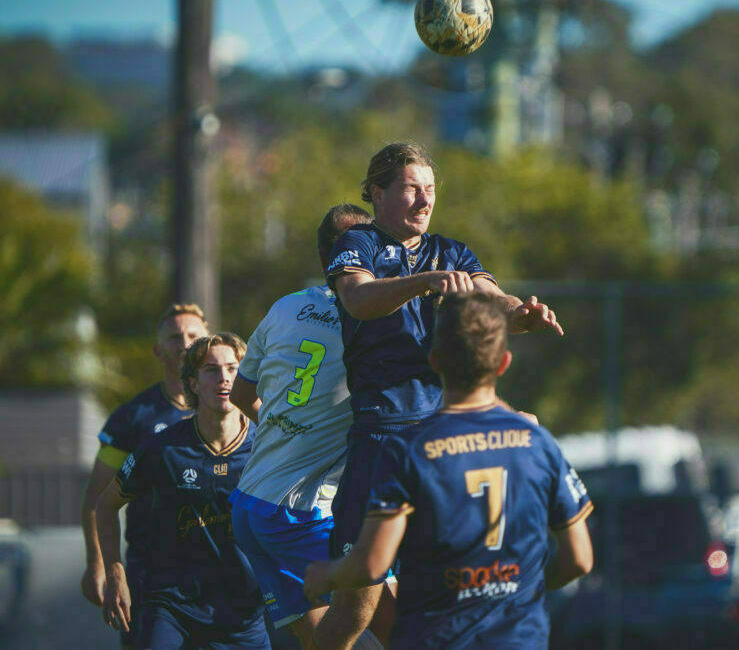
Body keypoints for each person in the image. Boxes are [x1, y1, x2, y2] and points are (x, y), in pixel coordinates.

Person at [318, 142, 563, 646]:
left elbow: (493, 299)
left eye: (429, 189)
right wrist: (422, 282)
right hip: (383, 436)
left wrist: (522, 315)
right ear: (378, 193)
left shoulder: (452, 250)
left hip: (442, 439)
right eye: (410, 188)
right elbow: (358, 299)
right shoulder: (358, 243)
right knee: (355, 606)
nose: (424, 200)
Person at [303, 292, 594, 648]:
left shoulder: (409, 450)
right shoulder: (536, 441)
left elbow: (371, 563)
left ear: (435, 362)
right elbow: (579, 559)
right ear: (503, 363)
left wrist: (326, 575)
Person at [229, 203, 383, 650]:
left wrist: (286, 427)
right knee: (402, 624)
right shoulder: (371, 322)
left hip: (249, 506)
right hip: (298, 512)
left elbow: (242, 394)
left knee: (323, 643)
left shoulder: (285, 307)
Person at [95, 333, 270, 649]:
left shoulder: (269, 446)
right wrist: (114, 572)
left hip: (243, 613)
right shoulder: (161, 448)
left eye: (233, 369)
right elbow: (105, 506)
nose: (224, 379)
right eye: (212, 370)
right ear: (192, 383)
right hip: (170, 606)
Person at [80, 303, 209, 649]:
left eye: (193, 335)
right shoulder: (132, 418)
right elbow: (96, 498)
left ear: (207, 343)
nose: (184, 342)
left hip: (220, 577)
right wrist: (100, 565)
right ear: (158, 349)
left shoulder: (233, 412)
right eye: (174, 336)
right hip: (151, 575)